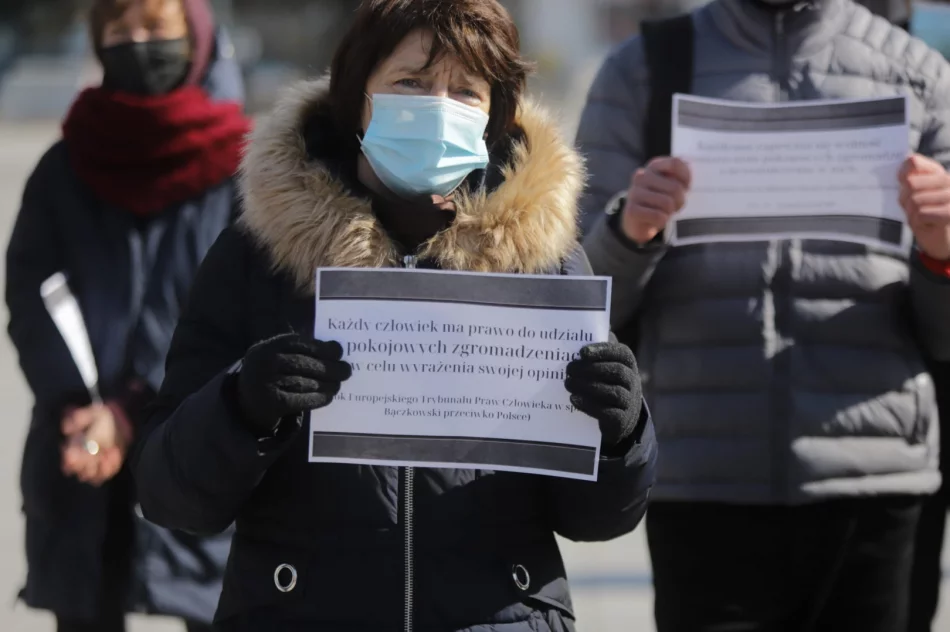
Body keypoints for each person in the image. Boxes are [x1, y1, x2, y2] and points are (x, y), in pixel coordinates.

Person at [130, 0, 657, 630]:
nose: (438, 106)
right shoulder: (260, 253)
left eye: (466, 90)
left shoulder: (543, 264)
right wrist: (240, 408)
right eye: (410, 83)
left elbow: (596, 520)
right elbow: (168, 493)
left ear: (494, 117)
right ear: (358, 98)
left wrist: (621, 435)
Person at [576, 0, 950, 630]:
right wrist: (628, 231)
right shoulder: (642, 69)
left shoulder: (916, 72)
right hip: (702, 486)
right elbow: (581, 306)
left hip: (876, 485)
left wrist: (942, 253)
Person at [5, 0, 251, 631]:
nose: (136, 42)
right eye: (118, 29)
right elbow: (31, 295)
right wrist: (80, 408)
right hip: (79, 446)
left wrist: (132, 408)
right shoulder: (65, 165)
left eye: (154, 27)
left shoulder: (242, 173)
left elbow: (238, 317)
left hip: (203, 441)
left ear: (194, 39)